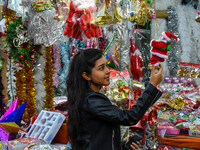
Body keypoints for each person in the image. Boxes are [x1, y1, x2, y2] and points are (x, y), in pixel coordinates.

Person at [66, 48, 163, 150]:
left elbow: (97, 137)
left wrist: (122, 145)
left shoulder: (88, 98)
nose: (108, 71)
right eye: (101, 68)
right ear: (86, 75)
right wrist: (152, 85)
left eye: (106, 66)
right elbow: (129, 117)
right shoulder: (92, 100)